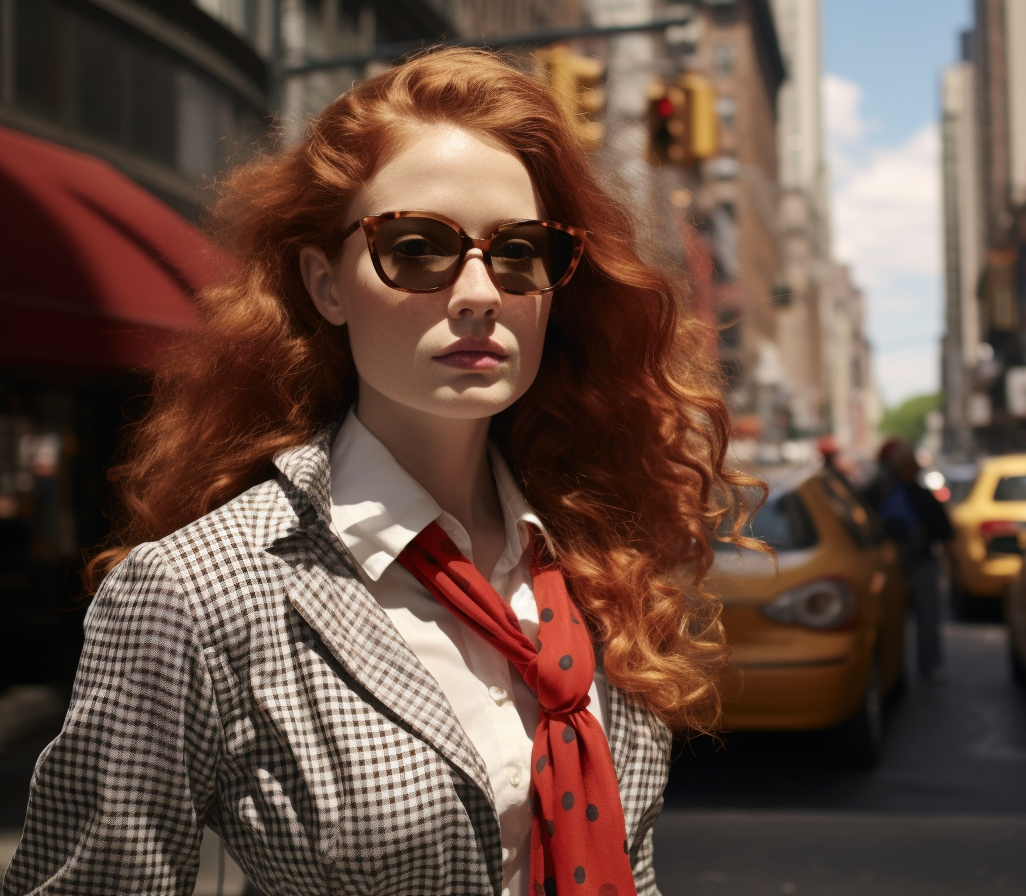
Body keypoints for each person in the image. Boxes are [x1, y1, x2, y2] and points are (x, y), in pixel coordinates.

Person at [1, 49, 761, 896]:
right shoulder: (197, 592)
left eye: (518, 252)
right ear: (327, 283)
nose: (479, 291)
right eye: (417, 246)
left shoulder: (591, 556)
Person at [872, 439, 952, 682]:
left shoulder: (922, 496)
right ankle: (894, 669)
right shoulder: (878, 493)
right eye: (909, 463)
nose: (915, 467)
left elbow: (944, 533)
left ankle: (929, 665)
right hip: (887, 567)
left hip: (920, 564)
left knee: (927, 618)